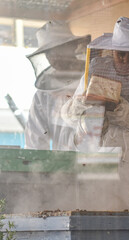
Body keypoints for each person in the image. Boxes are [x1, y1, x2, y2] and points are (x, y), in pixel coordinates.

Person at [61, 17, 129, 211]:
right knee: (98, 226)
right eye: (121, 54)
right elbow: (67, 116)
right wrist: (82, 101)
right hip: (97, 161)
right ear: (112, 52)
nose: (125, 60)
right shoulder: (93, 73)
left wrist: (121, 109)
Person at [24, 21, 90, 150]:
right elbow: (35, 142)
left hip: (94, 164)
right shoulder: (43, 95)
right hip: (59, 166)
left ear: (73, 46)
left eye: (59, 50)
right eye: (49, 53)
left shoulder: (91, 80)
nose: (54, 57)